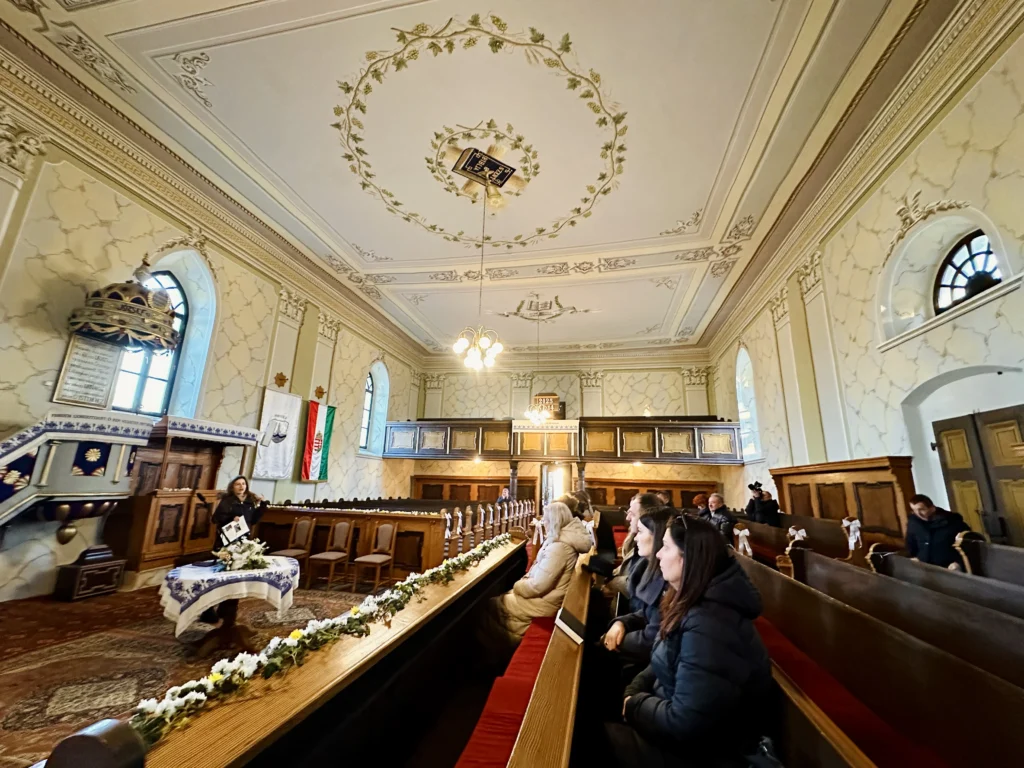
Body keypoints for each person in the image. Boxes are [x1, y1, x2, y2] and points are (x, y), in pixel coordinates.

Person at [608, 516, 773, 767]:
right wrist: (633, 693)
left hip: (702, 752)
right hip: (671, 723)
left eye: (666, 547)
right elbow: (662, 658)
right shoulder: (688, 600)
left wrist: (634, 705)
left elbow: (687, 722)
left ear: (687, 558)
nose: (658, 554)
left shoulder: (710, 624)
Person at [478, 501, 592, 646]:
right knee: (496, 603)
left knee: (491, 605)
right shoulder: (561, 541)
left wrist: (518, 586)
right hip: (546, 597)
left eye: (546, 519)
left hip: (544, 603)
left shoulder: (559, 547)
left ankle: (497, 651)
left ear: (554, 521)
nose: (544, 523)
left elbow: (538, 586)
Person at [603, 507, 673, 664]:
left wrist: (609, 641)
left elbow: (653, 636)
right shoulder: (649, 569)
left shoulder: (669, 579)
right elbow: (647, 613)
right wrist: (622, 622)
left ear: (657, 537)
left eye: (640, 532)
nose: (635, 538)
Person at [607, 493, 661, 597]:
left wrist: (614, 583)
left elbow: (637, 585)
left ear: (644, 516)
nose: (628, 518)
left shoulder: (649, 547)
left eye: (632, 514)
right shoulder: (635, 539)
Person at [905, 494, 970, 569]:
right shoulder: (913, 523)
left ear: (932, 508)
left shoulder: (953, 522)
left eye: (921, 509)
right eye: (914, 510)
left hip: (948, 567)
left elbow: (968, 546)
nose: (918, 513)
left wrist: (959, 563)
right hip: (924, 567)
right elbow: (911, 544)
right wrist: (915, 557)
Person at [211, 475, 267, 546]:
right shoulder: (227, 500)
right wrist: (232, 518)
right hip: (229, 536)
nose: (241, 486)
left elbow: (253, 520)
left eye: (243, 484)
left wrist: (263, 506)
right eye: (238, 484)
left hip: (244, 536)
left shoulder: (250, 500)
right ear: (232, 487)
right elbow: (216, 518)